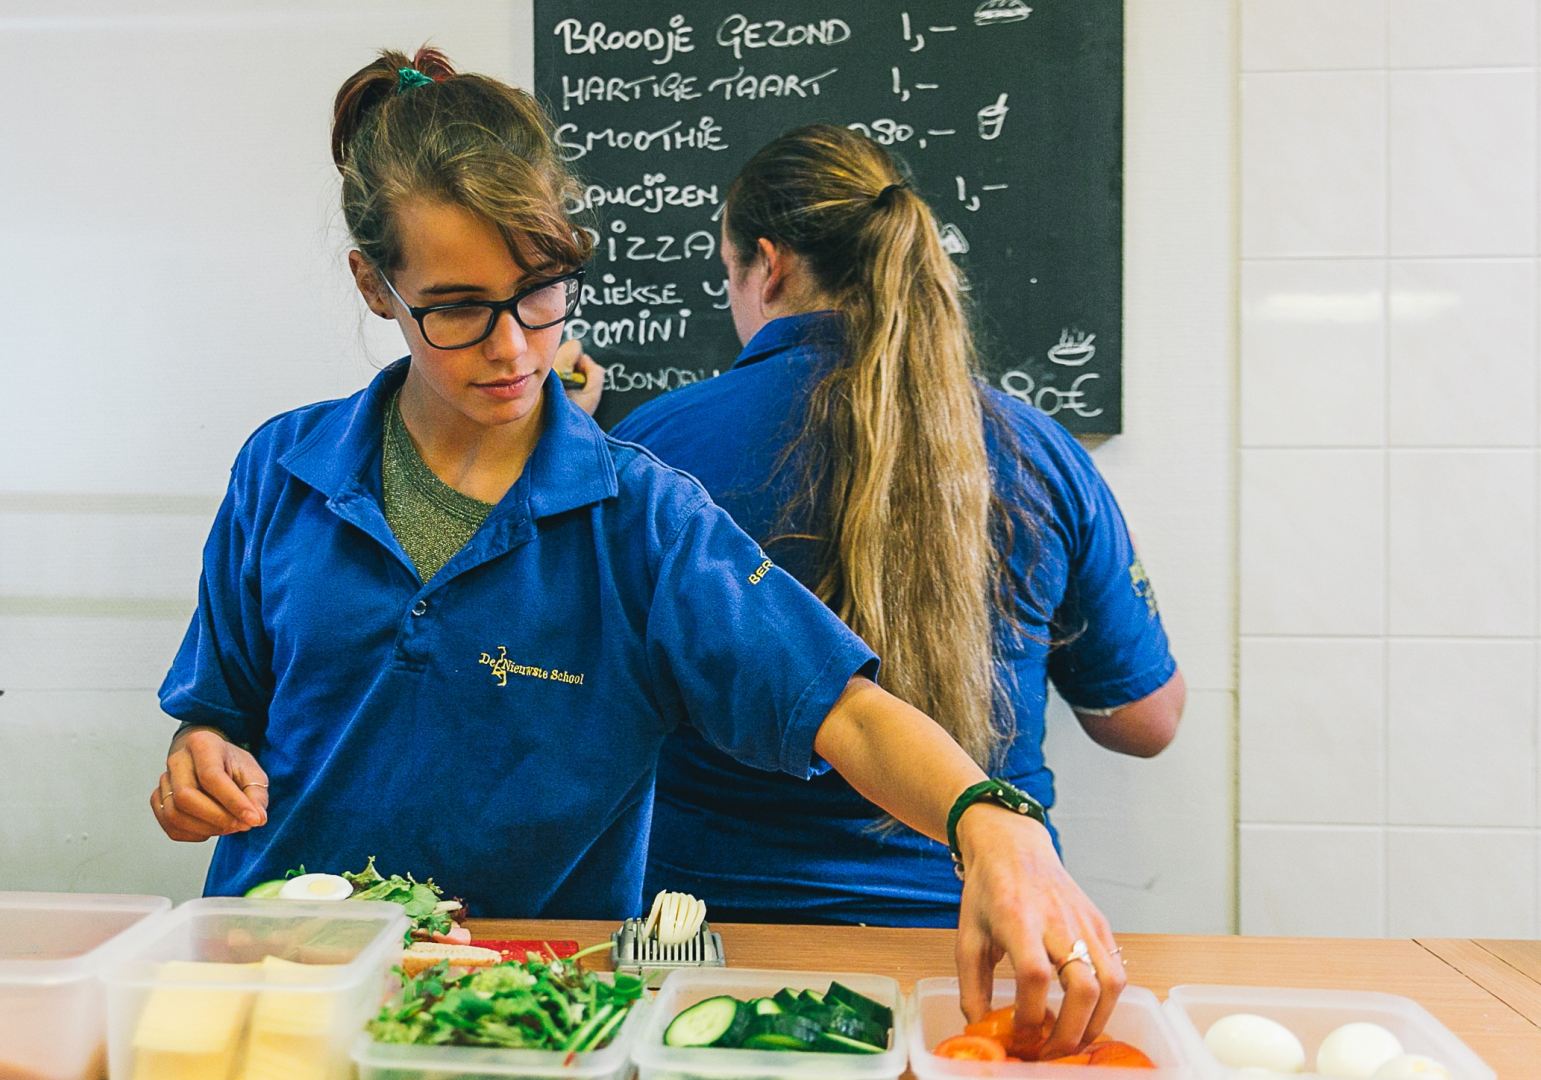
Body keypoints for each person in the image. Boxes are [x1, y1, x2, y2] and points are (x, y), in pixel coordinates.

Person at [153, 52, 1125, 1055]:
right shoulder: (284, 469)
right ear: (375, 285)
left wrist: (989, 819)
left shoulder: (640, 515)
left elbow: (846, 711)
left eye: (541, 291)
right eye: (455, 306)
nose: (514, 346)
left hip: (517, 1019)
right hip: (276, 993)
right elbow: (218, 714)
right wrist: (198, 761)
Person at [610, 124, 1185, 936]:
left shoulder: (656, 450)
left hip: (712, 948)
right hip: (979, 937)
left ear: (766, 266)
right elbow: (1144, 721)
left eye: (728, 275)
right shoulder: (1039, 453)